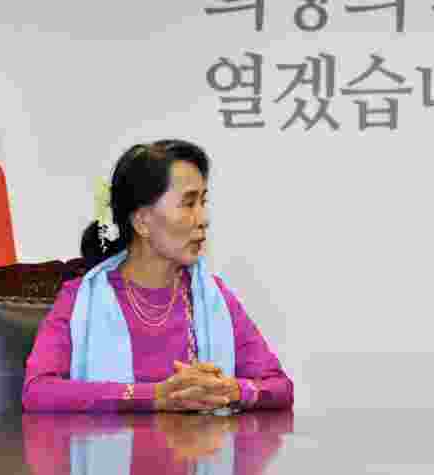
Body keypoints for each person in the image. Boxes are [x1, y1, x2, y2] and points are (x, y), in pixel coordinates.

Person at [23, 139, 293, 412]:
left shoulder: (212, 297)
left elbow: (279, 386)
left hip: (201, 451)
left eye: (203, 201)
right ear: (141, 222)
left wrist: (232, 390)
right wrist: (154, 396)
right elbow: (37, 392)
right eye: (188, 204)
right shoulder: (81, 298)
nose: (203, 219)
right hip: (107, 453)